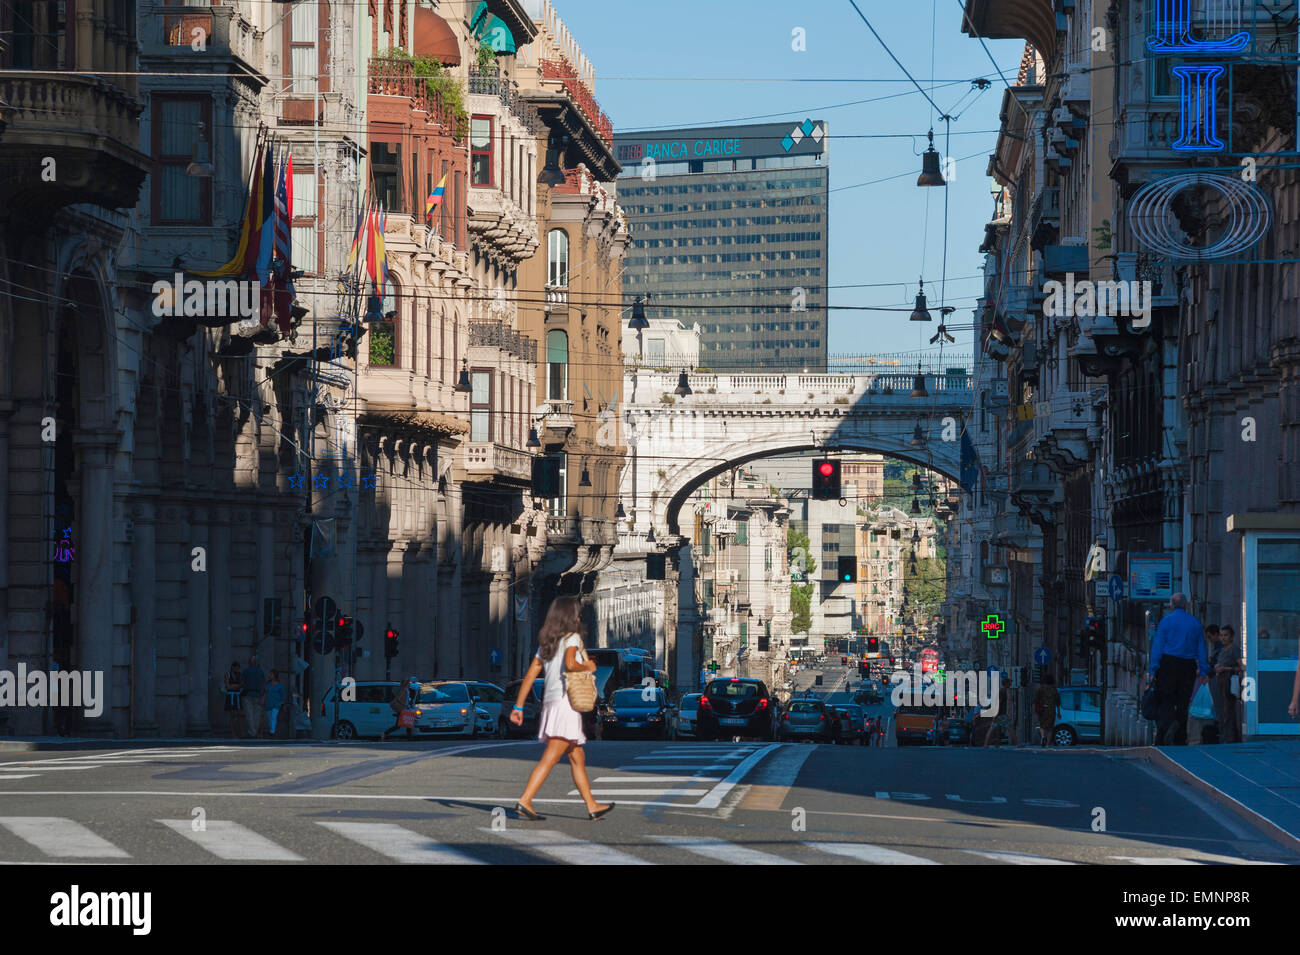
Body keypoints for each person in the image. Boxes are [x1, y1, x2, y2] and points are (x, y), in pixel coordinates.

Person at [509, 596, 614, 822]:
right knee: (551, 757)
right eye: (576, 613)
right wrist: (588, 665)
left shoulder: (547, 643)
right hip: (566, 704)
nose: (578, 617)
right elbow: (570, 664)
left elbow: (530, 675)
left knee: (578, 757)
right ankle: (525, 800)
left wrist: (518, 705)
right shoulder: (572, 637)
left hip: (551, 702)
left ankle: (592, 805)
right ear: (569, 616)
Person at [1147, 593, 1210, 746]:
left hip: (1168, 664)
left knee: (1166, 700)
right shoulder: (1195, 623)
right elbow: (1202, 648)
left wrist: (1153, 670)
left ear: (1171, 605)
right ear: (1186, 605)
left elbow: (1157, 647)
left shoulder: (1166, 622)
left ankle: (1162, 734)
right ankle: (1180, 735)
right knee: (1183, 701)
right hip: (1188, 665)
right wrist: (1203, 670)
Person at [1215, 625, 1242, 743]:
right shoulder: (1222, 650)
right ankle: (1225, 735)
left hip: (1228, 680)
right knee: (1222, 709)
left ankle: (1230, 737)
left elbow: (1240, 667)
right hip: (1220, 680)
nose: (1223, 638)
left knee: (1228, 709)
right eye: (1221, 635)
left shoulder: (1234, 649)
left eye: (1226, 635)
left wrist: (1225, 668)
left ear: (1231, 637)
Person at [242, 653, 267, 739]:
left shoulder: (245, 671)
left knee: (249, 714)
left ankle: (251, 732)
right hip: (258, 694)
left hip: (248, 694)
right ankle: (254, 732)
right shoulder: (261, 671)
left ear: (249, 662)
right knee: (257, 715)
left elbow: (242, 683)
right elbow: (264, 684)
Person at [1032, 675, 1061, 746]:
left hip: (1043, 709)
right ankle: (1048, 744)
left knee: (1042, 725)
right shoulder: (1054, 689)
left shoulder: (1041, 689)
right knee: (1050, 728)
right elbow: (1058, 702)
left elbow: (1036, 700)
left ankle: (1042, 737)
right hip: (1051, 710)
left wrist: (1035, 710)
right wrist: (1059, 712)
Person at [263, 670, 286, 739]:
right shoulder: (267, 684)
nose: (269, 675)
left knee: (273, 716)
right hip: (268, 704)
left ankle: (272, 732)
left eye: (271, 674)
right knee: (270, 719)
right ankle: (272, 731)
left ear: (275, 675)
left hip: (276, 704)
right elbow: (263, 692)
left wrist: (283, 704)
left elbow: (283, 695)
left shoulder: (280, 685)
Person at [223, 661, 243, 738]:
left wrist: (233, 686)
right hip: (231, 696)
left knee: (240, 714)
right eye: (236, 668)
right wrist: (237, 686)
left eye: (238, 668)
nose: (237, 669)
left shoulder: (239, 675)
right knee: (232, 715)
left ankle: (241, 732)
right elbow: (228, 686)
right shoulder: (227, 674)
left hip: (237, 696)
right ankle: (233, 733)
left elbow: (242, 685)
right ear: (233, 667)